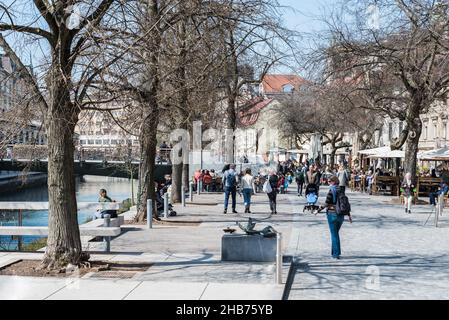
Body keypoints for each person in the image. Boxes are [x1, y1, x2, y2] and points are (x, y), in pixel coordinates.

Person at [323, 176, 352, 259]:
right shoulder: (341, 190)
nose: (328, 183)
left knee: (334, 234)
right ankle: (334, 252)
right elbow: (345, 203)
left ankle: (336, 254)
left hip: (332, 214)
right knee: (335, 233)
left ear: (333, 182)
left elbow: (327, 203)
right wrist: (349, 215)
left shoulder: (331, 190)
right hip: (341, 215)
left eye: (329, 181)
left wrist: (318, 209)